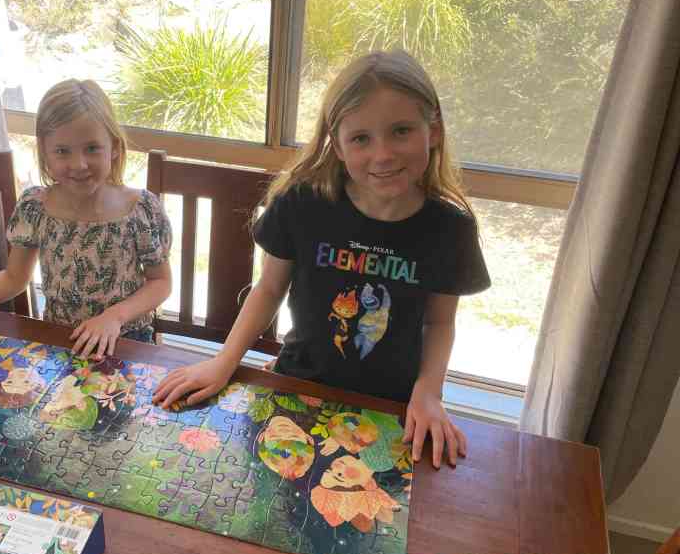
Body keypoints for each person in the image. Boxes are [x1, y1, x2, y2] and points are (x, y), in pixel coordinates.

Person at [152, 50, 489, 468]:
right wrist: (224, 362)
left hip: (394, 407)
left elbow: (440, 322)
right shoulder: (302, 202)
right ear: (338, 143)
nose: (383, 154)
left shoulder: (451, 227)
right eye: (361, 138)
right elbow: (269, 289)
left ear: (433, 130)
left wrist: (430, 392)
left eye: (401, 131)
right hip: (297, 385)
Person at [0, 79, 172, 360]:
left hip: (127, 340)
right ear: (44, 152)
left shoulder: (140, 209)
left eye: (92, 148)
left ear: (114, 146)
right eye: (62, 151)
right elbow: (13, 278)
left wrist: (114, 317)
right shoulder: (35, 206)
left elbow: (161, 282)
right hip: (60, 340)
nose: (79, 164)